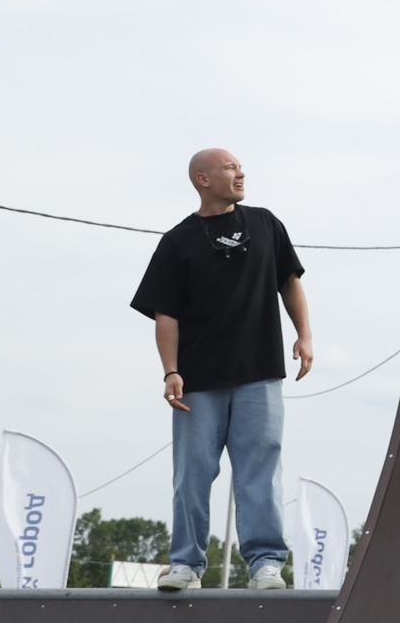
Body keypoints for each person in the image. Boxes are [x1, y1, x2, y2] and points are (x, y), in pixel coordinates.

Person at [129, 150, 311, 592]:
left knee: (260, 468)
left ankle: (265, 563)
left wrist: (304, 335)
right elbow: (165, 314)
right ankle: (186, 564)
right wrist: (170, 371)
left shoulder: (266, 223)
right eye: (231, 168)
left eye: (240, 167)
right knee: (192, 472)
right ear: (203, 178)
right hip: (198, 378)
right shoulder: (178, 241)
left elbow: (289, 281)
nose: (241, 172)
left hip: (260, 372)